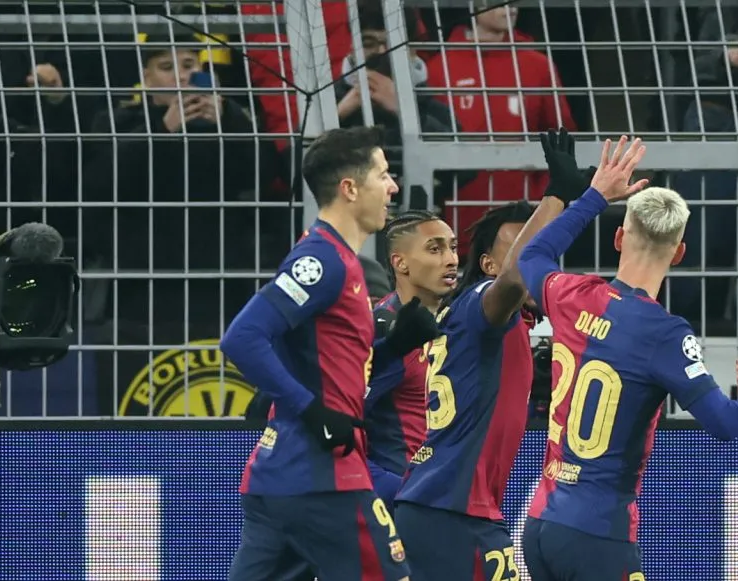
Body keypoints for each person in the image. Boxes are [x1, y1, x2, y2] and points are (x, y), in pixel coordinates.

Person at [516, 136, 738, 580]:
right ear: (679, 253)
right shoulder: (665, 334)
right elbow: (725, 423)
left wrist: (595, 196)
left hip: (540, 524)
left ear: (619, 238)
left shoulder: (571, 294)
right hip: (599, 535)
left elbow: (532, 255)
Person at [220, 126, 437, 581]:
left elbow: (328, 363)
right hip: (323, 478)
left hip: (281, 478)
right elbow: (243, 337)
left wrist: (392, 347)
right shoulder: (322, 260)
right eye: (383, 175)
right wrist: (312, 410)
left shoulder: (342, 261)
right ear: (350, 188)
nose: (393, 186)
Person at [390, 129, 586, 581]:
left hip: (448, 508)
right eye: (525, 250)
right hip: (452, 513)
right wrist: (560, 197)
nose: (539, 264)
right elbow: (516, 276)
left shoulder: (494, 324)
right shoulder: (482, 304)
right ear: (488, 266)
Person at [366, 210, 459, 508]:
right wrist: (399, 494)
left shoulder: (458, 322)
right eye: (435, 249)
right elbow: (344, 421)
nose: (451, 260)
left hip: (443, 492)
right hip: (400, 497)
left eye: (453, 247)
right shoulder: (382, 330)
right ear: (400, 262)